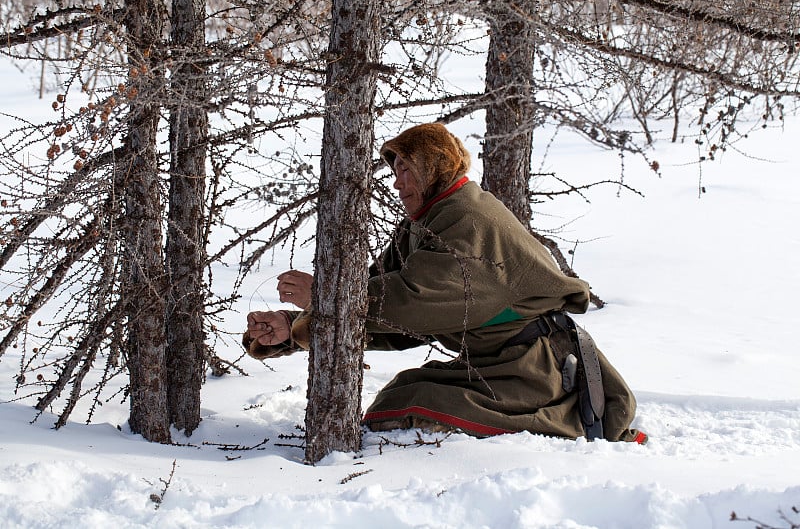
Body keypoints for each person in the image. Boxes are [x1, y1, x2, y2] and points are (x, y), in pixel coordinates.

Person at [244, 123, 646, 444]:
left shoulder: (467, 220)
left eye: (407, 169)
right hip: (495, 363)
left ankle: (567, 422)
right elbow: (385, 303)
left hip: (536, 370)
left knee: (411, 405)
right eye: (395, 170)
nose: (397, 183)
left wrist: (325, 295)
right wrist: (294, 328)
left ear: (434, 167)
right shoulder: (428, 221)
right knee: (404, 392)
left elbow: (412, 305)